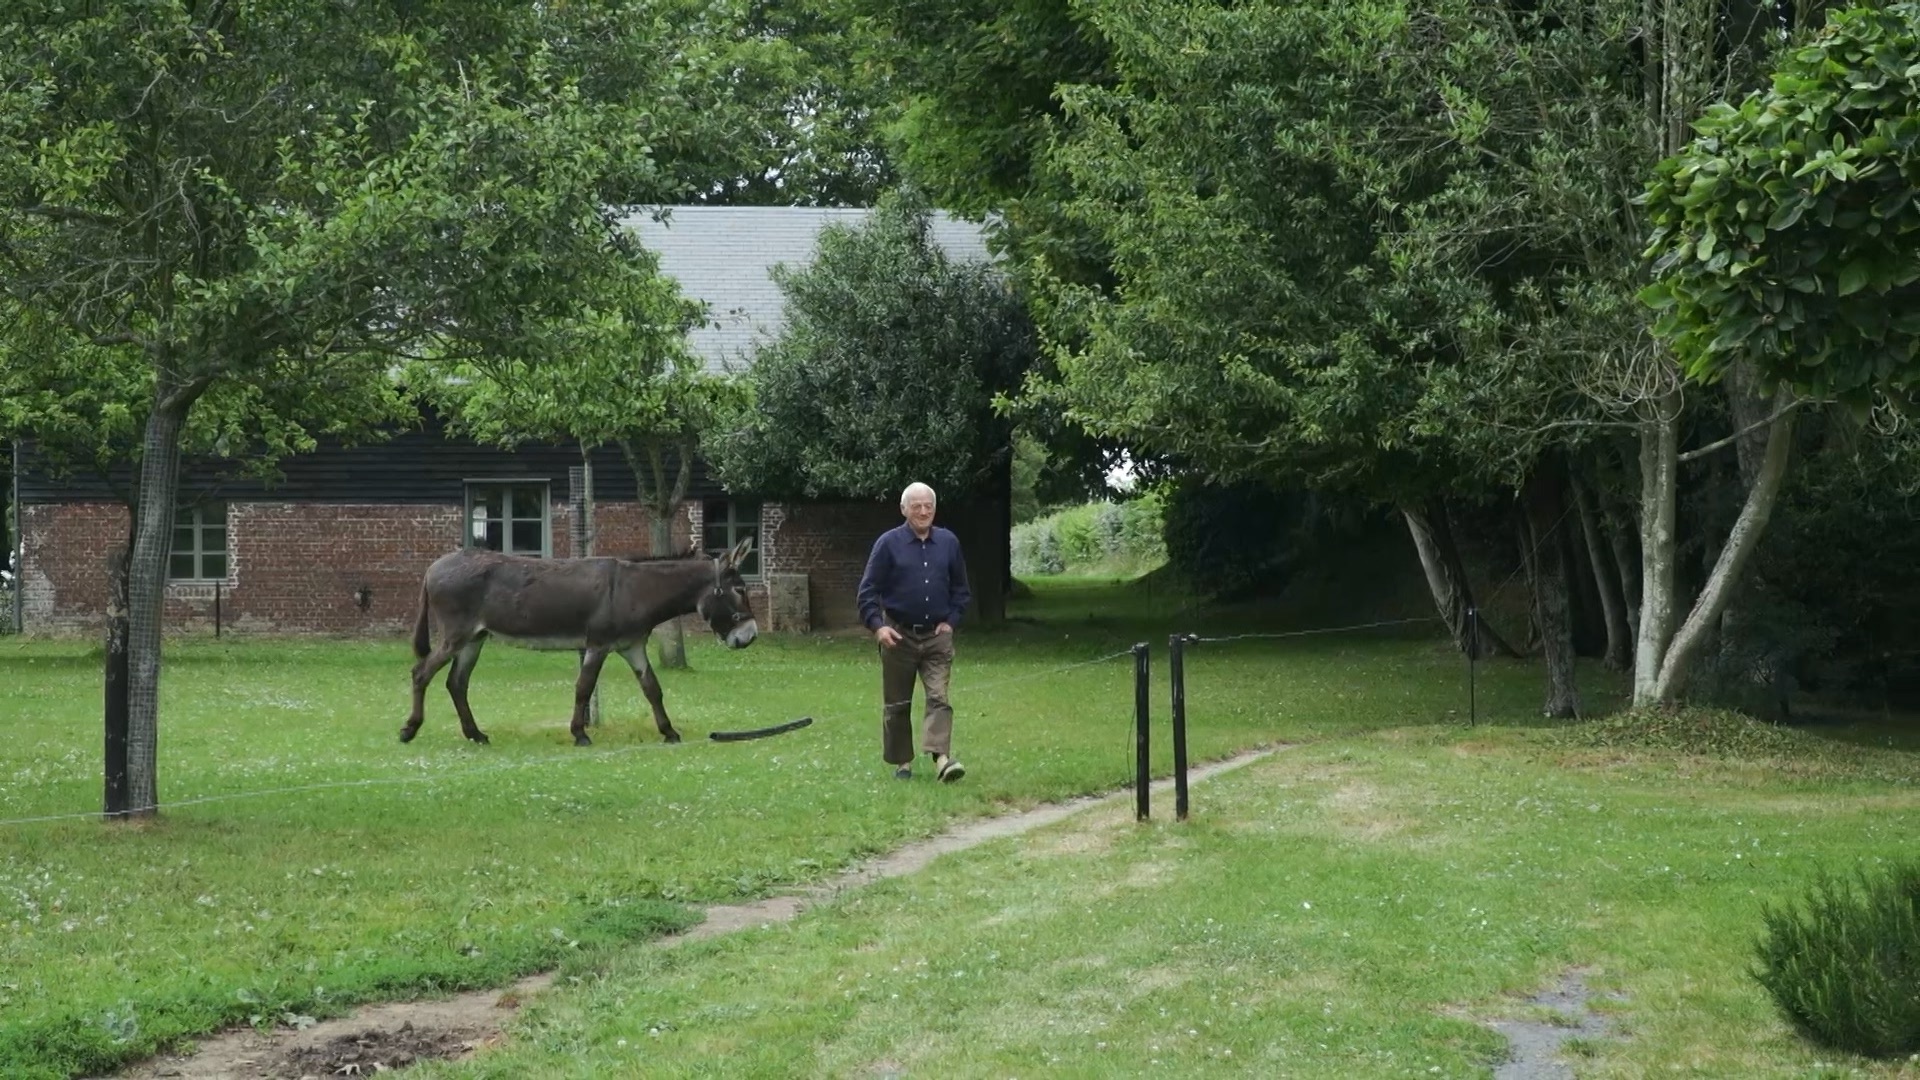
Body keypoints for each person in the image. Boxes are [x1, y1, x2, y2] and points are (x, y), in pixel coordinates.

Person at [857, 482, 971, 782]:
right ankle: (902, 763)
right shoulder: (888, 543)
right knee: (897, 704)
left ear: (934, 509)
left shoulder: (948, 543)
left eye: (928, 506)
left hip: (937, 637)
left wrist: (952, 621)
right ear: (904, 509)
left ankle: (941, 759)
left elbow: (961, 589)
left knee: (939, 697)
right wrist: (878, 626)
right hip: (898, 636)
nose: (923, 511)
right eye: (916, 506)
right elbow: (867, 591)